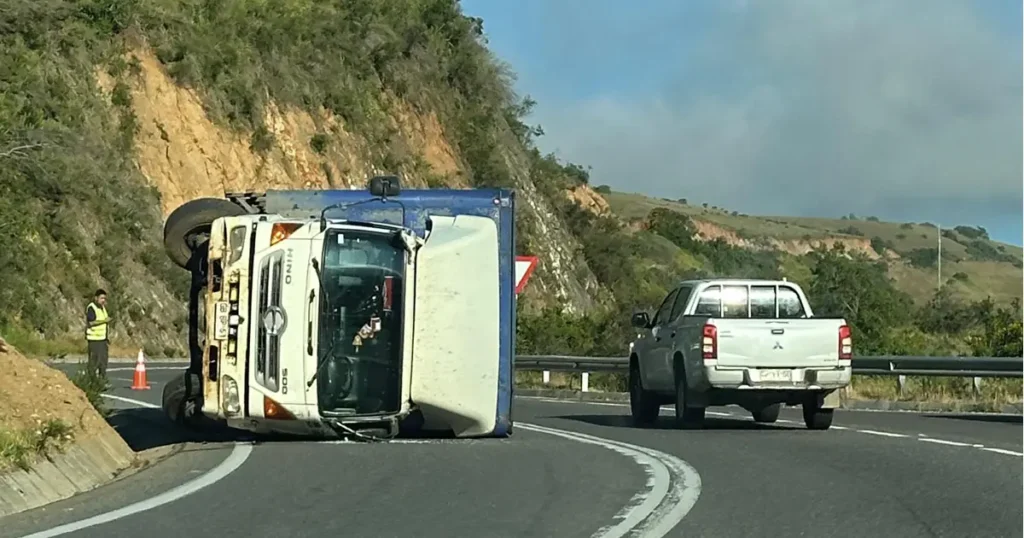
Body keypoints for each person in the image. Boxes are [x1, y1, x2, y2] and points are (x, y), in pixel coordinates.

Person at [85, 289, 112, 379]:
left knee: (103, 362)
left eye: (104, 298)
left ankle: (101, 380)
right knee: (94, 362)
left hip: (103, 339)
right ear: (96, 298)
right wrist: (104, 321)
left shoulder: (102, 308)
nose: (103, 300)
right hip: (94, 340)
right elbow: (91, 323)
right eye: (101, 298)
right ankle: (91, 381)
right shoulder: (92, 307)